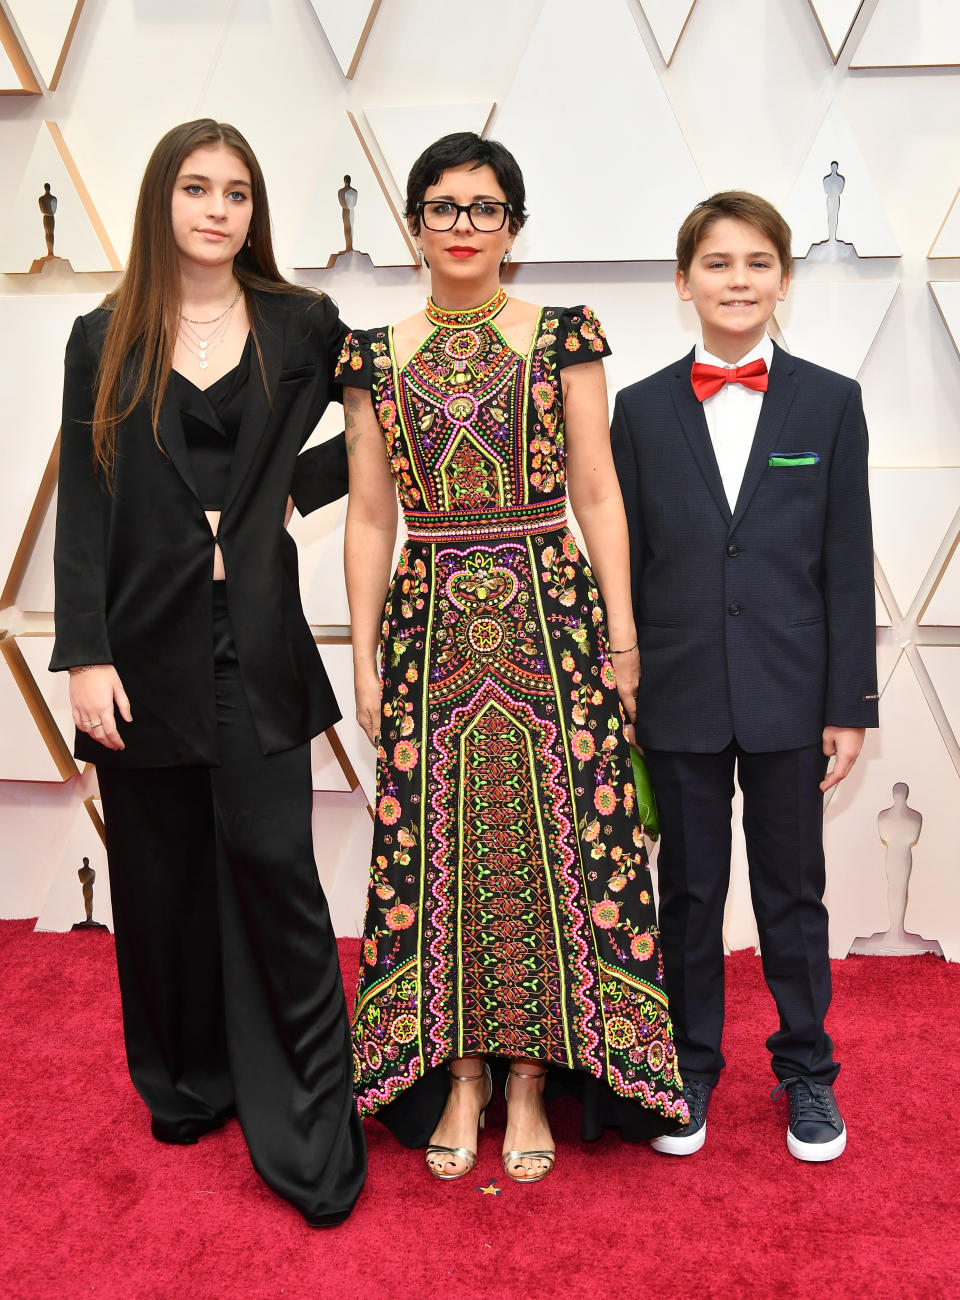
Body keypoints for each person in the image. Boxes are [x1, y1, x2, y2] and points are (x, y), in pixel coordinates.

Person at [340, 132, 687, 1185]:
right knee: (440, 849)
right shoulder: (374, 353)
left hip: (553, 615)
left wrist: (622, 638)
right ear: (414, 222)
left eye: (484, 208)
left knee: (562, 847)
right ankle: (460, 1072)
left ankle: (534, 1072)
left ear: (515, 228)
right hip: (430, 621)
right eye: (442, 207)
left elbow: (596, 494)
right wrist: (362, 660)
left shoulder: (562, 335)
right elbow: (366, 519)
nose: (462, 227)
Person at [50, 118, 366, 1225]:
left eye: (237, 191)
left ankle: (313, 1112)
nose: (218, 208)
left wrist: (294, 486)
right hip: (138, 644)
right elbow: (84, 501)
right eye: (197, 188)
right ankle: (186, 1084)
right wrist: (82, 652)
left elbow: (390, 426)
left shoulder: (302, 321)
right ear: (162, 202)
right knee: (160, 872)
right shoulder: (105, 334)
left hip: (257, 635)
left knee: (275, 863)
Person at [610, 191, 878, 1163]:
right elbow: (620, 556)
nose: (737, 280)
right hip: (674, 695)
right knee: (685, 890)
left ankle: (807, 1066)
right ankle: (688, 1066)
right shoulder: (636, 410)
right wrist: (620, 677)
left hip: (789, 693)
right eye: (717, 263)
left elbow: (846, 559)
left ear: (784, 280)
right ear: (683, 283)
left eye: (757, 262)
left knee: (792, 892)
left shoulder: (830, 402)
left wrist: (849, 704)